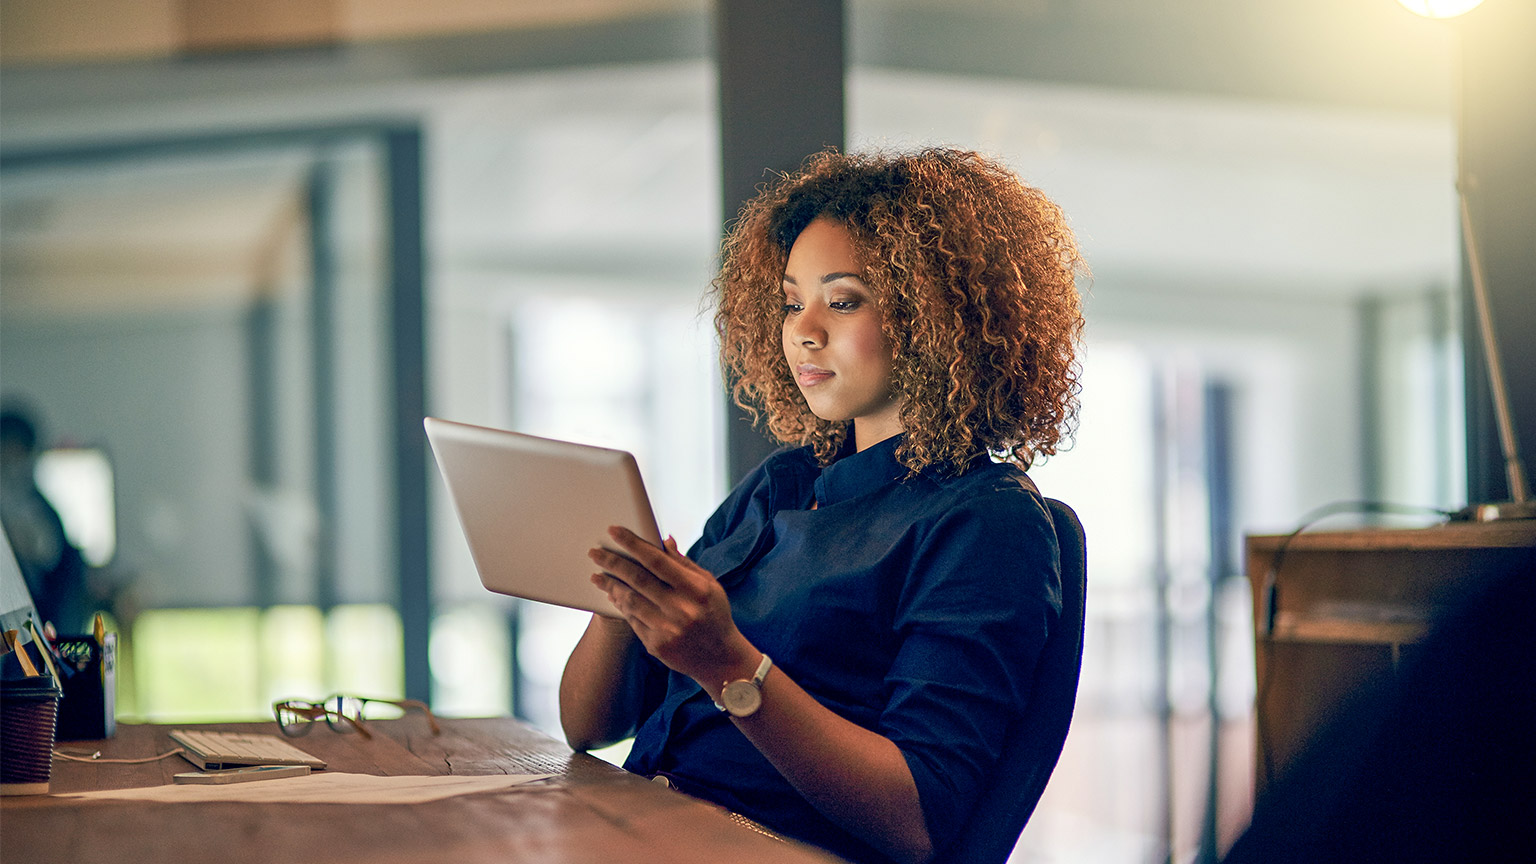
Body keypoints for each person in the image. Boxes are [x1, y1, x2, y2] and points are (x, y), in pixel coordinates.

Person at [559, 147, 1085, 864]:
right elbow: (588, 727)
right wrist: (622, 597)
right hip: (645, 827)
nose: (804, 329)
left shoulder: (984, 522)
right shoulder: (782, 484)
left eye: (842, 300)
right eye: (790, 301)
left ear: (937, 321)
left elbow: (920, 821)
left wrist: (730, 666)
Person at [0, 402, 89, 632]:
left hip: (43, 625)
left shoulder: (42, 508)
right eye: (6, 451)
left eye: (19, 452)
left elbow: (53, 555)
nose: (12, 462)